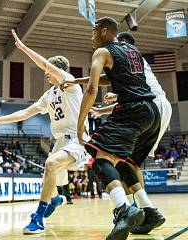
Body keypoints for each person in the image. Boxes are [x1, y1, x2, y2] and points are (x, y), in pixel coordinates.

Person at [66, 17, 161, 240]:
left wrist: (80, 125)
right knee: (124, 161)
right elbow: (111, 77)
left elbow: (92, 90)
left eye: (93, 32)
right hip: (152, 112)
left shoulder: (102, 52)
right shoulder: (132, 50)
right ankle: (149, 212)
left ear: (105, 31)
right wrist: (78, 80)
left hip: (131, 111)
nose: (91, 37)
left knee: (100, 160)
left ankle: (124, 209)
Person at [0, 29, 89, 234]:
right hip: (60, 142)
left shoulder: (71, 84)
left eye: (49, 69)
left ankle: (38, 218)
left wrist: (23, 48)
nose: (45, 72)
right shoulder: (49, 94)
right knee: (49, 175)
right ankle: (55, 200)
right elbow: (26, 112)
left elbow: (44, 64)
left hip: (78, 139)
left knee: (50, 164)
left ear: (57, 70)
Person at [88, 31, 167, 234]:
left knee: (113, 160)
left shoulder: (122, 53)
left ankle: (133, 210)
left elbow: (103, 82)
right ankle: (147, 210)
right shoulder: (136, 58)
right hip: (155, 107)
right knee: (124, 161)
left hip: (149, 103)